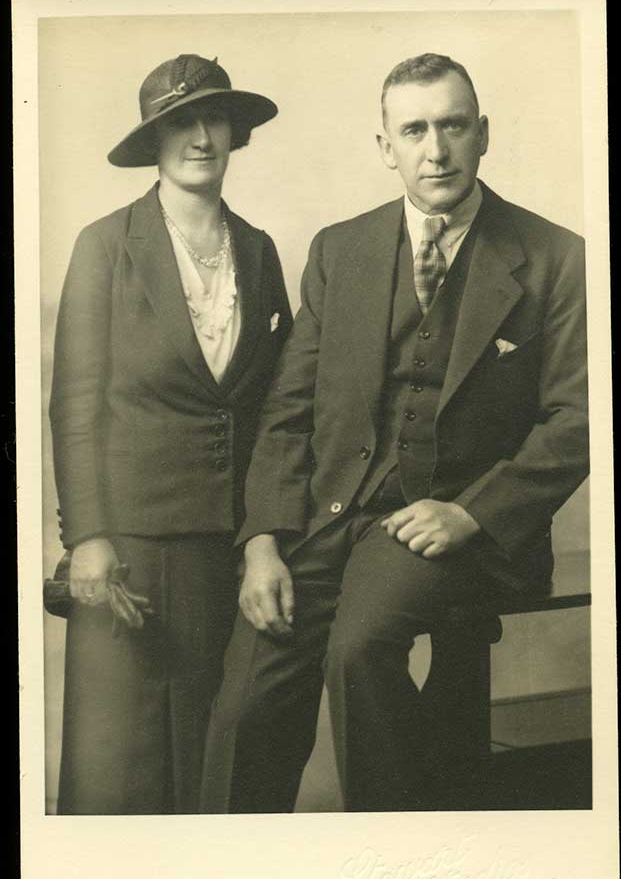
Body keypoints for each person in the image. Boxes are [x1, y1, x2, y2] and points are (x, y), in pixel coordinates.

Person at [204, 52, 589, 813]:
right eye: (413, 129)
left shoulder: (554, 256)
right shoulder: (339, 250)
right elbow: (290, 409)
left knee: (359, 651)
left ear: (483, 134)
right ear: (386, 146)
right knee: (248, 695)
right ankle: (229, 876)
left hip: (456, 525)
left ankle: (398, 865)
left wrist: (471, 512)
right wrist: (262, 543)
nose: (435, 149)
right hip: (331, 515)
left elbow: (578, 418)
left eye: (451, 126)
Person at [49, 53, 293, 814]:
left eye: (213, 117)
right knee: (119, 773)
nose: (199, 136)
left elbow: (275, 410)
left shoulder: (257, 251)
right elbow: (76, 403)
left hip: (227, 551)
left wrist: (262, 536)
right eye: (179, 122)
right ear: (153, 140)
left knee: (211, 767)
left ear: (234, 131)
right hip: (132, 552)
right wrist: (87, 536)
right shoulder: (104, 245)